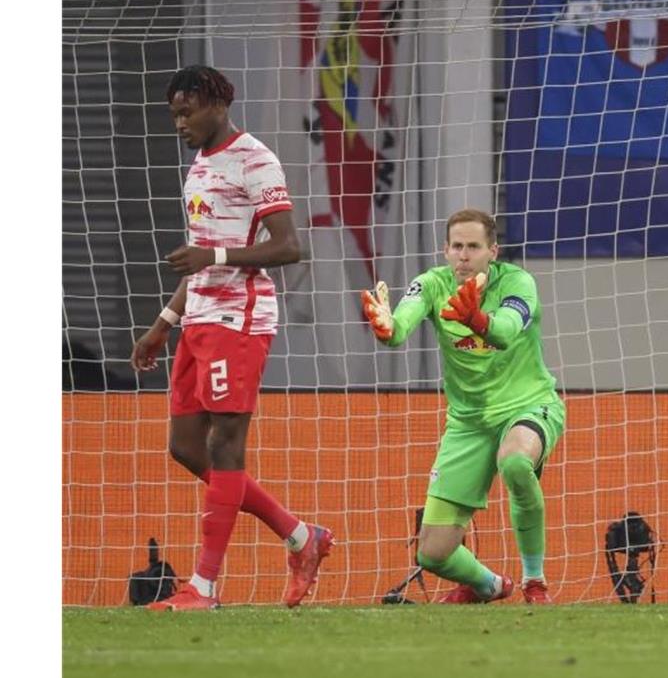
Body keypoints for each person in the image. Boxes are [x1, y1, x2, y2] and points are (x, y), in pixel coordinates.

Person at [131, 65, 334, 611]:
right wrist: (161, 326)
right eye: (175, 113)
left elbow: (289, 246)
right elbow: (201, 256)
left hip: (239, 320)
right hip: (197, 319)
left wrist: (214, 257)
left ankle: (203, 588)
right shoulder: (198, 167)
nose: (180, 123)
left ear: (217, 105)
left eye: (187, 111)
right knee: (184, 448)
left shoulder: (256, 160)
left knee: (224, 445)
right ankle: (299, 536)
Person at [362, 209, 564, 604]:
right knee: (433, 553)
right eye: (457, 247)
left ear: (493, 251)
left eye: (473, 247)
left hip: (528, 405)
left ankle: (534, 582)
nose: (464, 256)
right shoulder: (432, 284)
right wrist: (387, 326)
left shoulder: (518, 282)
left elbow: (505, 331)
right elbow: (402, 325)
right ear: (445, 250)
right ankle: (490, 586)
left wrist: (478, 319)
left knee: (516, 462)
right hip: (468, 424)